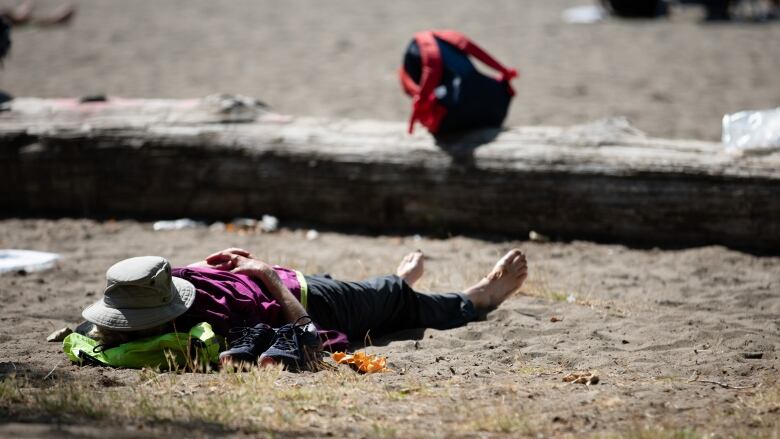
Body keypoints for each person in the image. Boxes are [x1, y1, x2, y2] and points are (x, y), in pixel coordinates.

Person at [79, 247, 528, 371]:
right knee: (395, 301)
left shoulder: (128, 316)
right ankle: (478, 297)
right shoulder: (213, 327)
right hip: (311, 299)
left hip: (301, 282)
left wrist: (207, 263)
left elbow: (161, 282)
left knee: (380, 296)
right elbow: (306, 331)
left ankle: (393, 286)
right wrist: (263, 274)